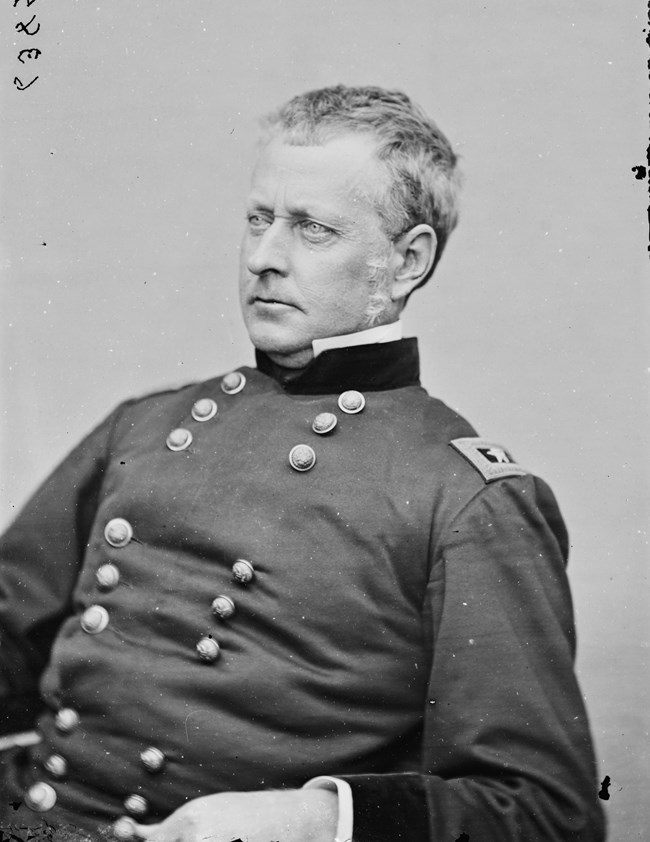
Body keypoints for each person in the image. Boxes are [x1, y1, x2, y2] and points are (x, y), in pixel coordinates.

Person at [0, 85, 605, 842]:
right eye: (259, 219)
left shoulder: (462, 497)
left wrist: (314, 819)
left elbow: (548, 813)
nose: (262, 258)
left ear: (407, 261)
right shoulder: (147, 424)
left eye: (312, 229)